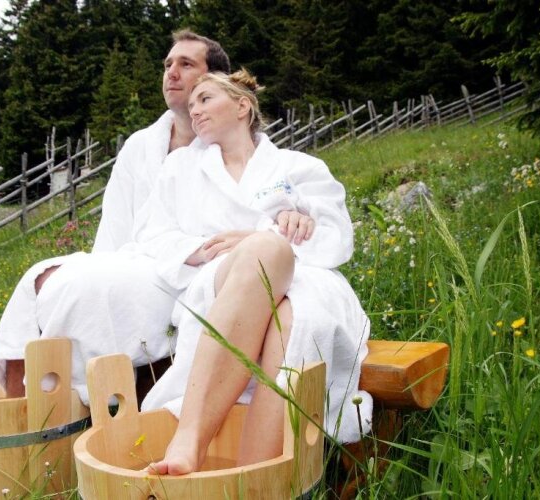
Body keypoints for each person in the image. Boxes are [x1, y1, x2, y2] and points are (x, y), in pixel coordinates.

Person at [134, 69, 372, 475]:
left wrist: (282, 230)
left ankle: (251, 473)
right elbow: (152, 234)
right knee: (264, 250)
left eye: (205, 99)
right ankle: (193, 441)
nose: (195, 110)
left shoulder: (300, 167)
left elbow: (335, 238)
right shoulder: (179, 169)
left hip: (306, 279)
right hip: (224, 279)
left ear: (242, 106)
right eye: (190, 105)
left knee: (294, 319)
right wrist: (207, 248)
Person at [0, 30, 231, 401]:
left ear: (215, 79)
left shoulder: (225, 145)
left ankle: (69, 401)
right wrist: (103, 267)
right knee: (39, 279)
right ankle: (23, 409)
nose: (171, 72)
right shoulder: (140, 145)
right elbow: (114, 224)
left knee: (74, 287)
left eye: (186, 64)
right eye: (167, 64)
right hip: (131, 261)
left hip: (185, 271)